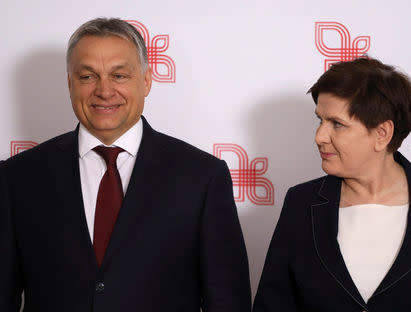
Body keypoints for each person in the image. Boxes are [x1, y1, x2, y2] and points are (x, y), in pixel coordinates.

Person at [0, 18, 251, 311]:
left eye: (119, 76)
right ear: (70, 83)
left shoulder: (202, 178)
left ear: (146, 81)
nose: (104, 91)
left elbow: (228, 302)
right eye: (87, 76)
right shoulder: (18, 177)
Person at [253, 57, 411, 311]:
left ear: (382, 134)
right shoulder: (301, 203)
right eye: (320, 120)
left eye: (337, 124)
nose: (319, 137)